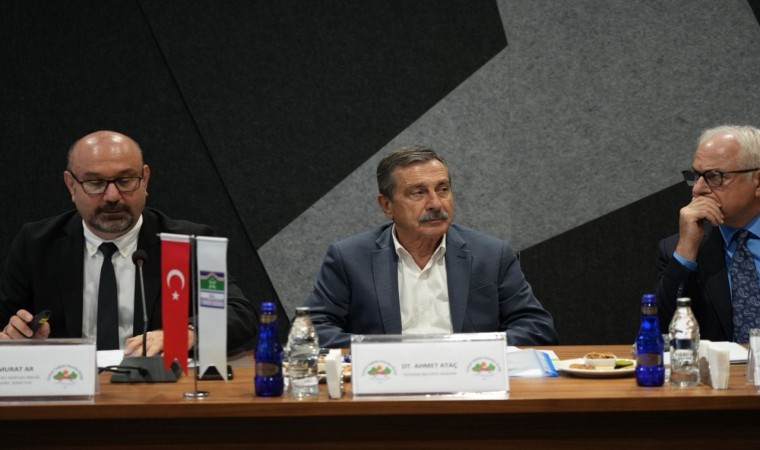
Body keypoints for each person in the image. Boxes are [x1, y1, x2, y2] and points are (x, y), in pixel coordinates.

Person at [0, 130, 257, 355]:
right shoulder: (36, 244)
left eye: (125, 181)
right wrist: (17, 333)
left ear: (145, 179)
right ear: (71, 185)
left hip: (155, 387)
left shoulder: (186, 242)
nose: (112, 196)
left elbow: (239, 314)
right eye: (95, 183)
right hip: (68, 383)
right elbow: (6, 323)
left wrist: (183, 333)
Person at [304, 145, 558, 348]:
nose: (435, 203)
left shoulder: (491, 254)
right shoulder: (349, 257)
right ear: (387, 205)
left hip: (468, 382)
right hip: (386, 384)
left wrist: (471, 350)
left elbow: (536, 327)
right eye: (418, 193)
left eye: (442, 189)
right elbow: (313, 328)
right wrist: (385, 352)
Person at [656, 125, 760, 342]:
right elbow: (664, 331)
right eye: (696, 176)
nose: (697, 189)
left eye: (714, 176)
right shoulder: (678, 250)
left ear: (757, 182)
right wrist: (686, 250)